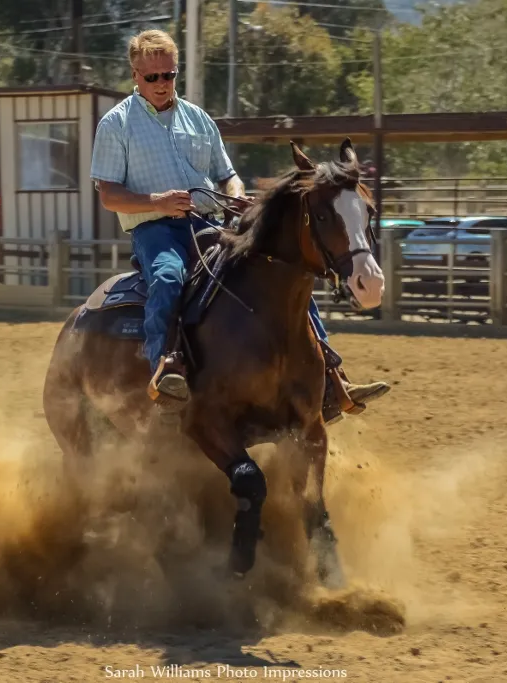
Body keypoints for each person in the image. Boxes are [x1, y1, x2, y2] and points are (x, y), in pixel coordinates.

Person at [89, 29, 389, 422]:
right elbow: (109, 194)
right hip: (155, 230)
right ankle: (165, 371)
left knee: (284, 270)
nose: (163, 84)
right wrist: (158, 202)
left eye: (169, 75)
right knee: (167, 275)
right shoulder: (116, 125)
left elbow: (227, 175)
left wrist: (236, 193)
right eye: (153, 77)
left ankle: (333, 375)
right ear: (135, 73)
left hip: (207, 222)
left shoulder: (197, 118)